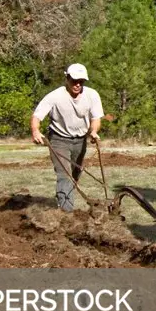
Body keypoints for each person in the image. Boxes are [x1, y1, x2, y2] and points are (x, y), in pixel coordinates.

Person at [31, 63, 105, 212]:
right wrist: (35, 131)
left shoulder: (92, 95)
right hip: (59, 140)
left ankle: (64, 201)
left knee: (75, 175)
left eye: (81, 81)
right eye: (74, 80)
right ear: (67, 78)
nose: (77, 85)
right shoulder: (55, 96)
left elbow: (96, 118)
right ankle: (67, 214)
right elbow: (36, 116)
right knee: (65, 175)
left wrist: (94, 131)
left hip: (80, 141)